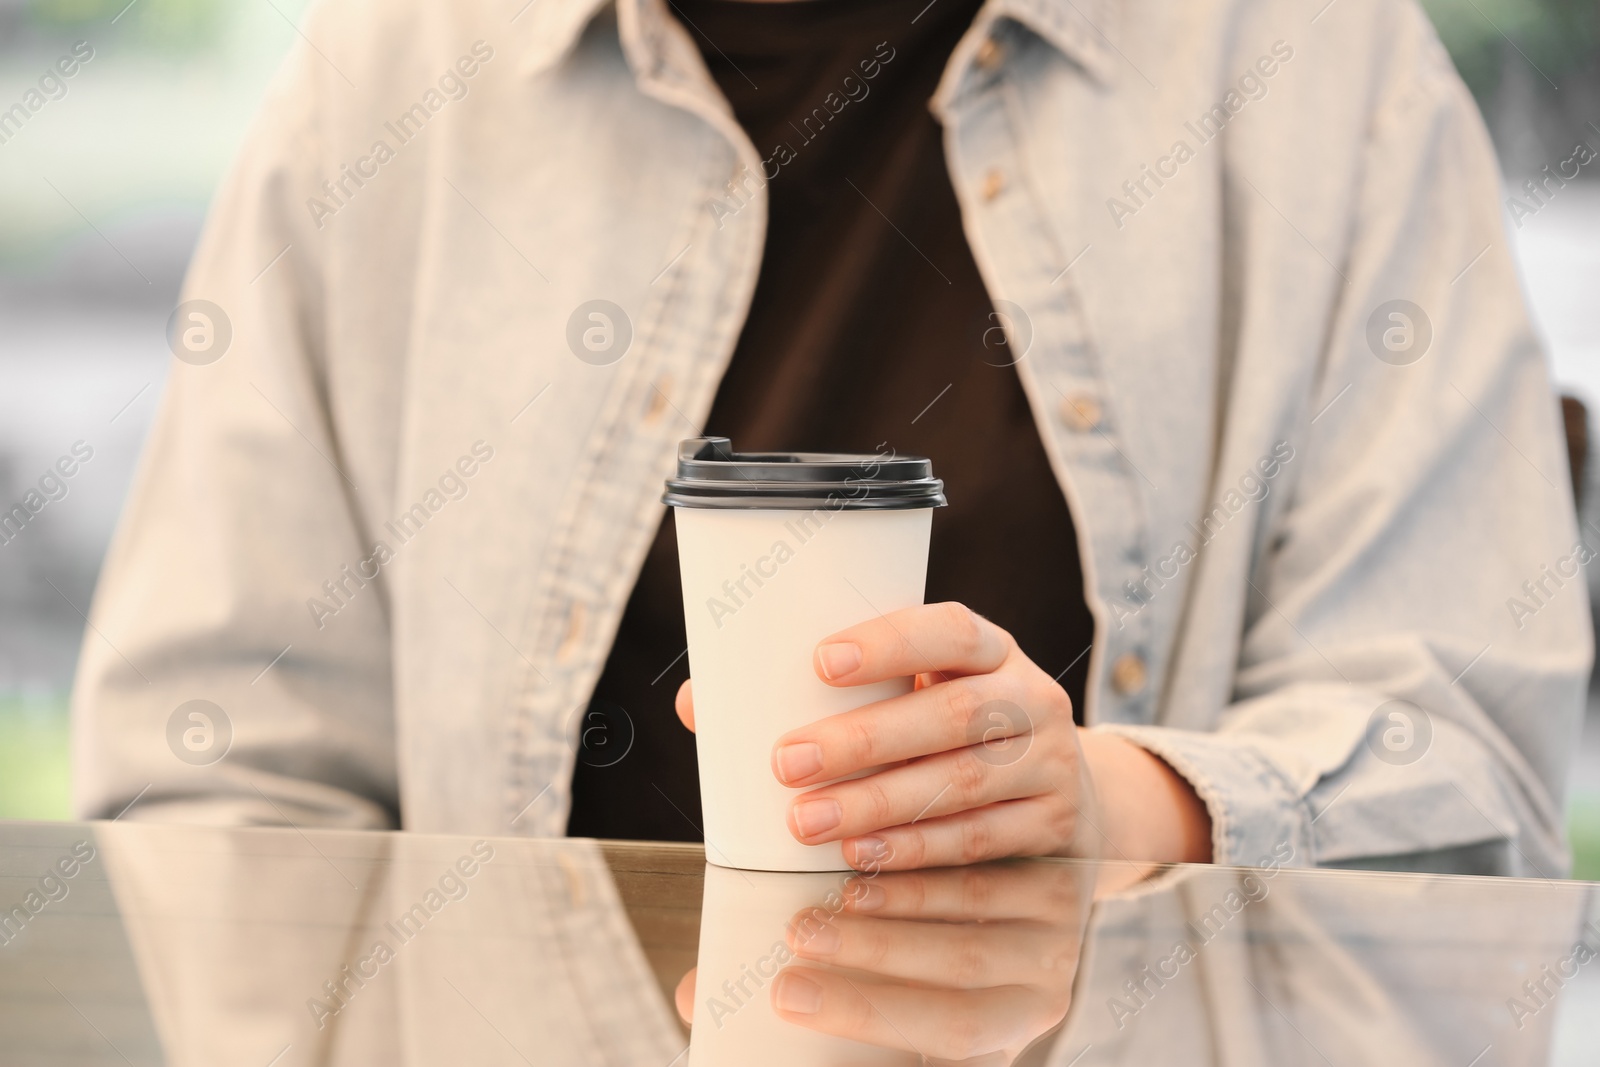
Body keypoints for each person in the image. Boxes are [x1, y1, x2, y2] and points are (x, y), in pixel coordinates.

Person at [73, 0, 1591, 876]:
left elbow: (1470, 782)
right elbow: (208, 780)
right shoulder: (392, 79)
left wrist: (1124, 804)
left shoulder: (1314, 65)